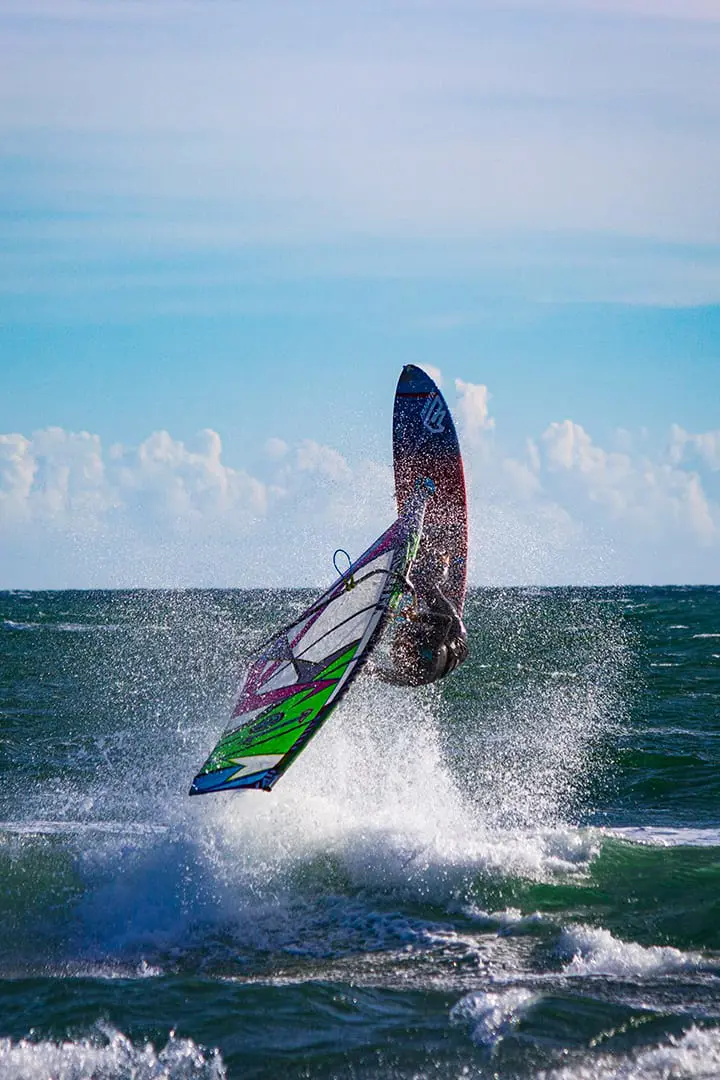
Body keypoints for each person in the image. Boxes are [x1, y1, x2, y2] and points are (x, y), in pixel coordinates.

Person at [389, 549, 468, 686]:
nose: (398, 649)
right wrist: (415, 617)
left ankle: (411, 582)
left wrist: (367, 668)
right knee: (428, 587)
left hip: (436, 653)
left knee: (405, 630)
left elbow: (383, 674)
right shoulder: (429, 650)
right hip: (454, 634)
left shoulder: (408, 675)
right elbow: (446, 621)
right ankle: (442, 565)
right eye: (403, 648)